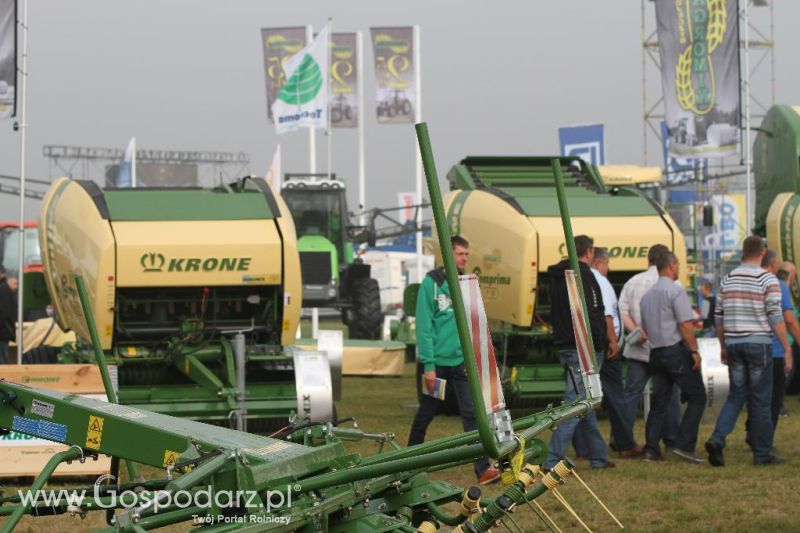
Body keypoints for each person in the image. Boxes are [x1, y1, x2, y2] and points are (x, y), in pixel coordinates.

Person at [407, 236, 500, 485]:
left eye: (466, 254)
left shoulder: (465, 283)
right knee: (426, 413)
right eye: (460, 254)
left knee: (472, 415)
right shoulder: (432, 283)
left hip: (461, 362)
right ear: (448, 254)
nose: (464, 258)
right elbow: (424, 327)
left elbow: (472, 322)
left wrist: (472, 357)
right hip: (436, 364)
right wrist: (428, 366)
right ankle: (407, 463)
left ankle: (482, 470)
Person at [706, 236, 791, 467]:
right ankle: (762, 453)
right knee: (761, 400)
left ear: (743, 252)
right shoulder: (768, 279)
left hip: (734, 343)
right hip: (758, 344)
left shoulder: (727, 279)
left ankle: (717, 438)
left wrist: (723, 346)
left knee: (736, 395)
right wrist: (786, 348)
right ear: (762, 253)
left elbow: (718, 317)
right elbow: (775, 316)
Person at [544, 235, 615, 470]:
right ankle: (552, 459)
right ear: (589, 252)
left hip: (564, 343)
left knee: (586, 400)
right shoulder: (585, 275)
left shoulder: (557, 276)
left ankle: (598, 456)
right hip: (583, 347)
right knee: (575, 403)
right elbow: (594, 312)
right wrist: (599, 343)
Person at [639, 252, 706, 462]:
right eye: (677, 266)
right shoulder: (675, 291)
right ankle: (684, 444)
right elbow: (685, 324)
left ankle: (651, 449)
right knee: (697, 396)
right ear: (672, 266)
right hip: (674, 351)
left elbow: (645, 327)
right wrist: (694, 350)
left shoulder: (647, 296)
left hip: (656, 352)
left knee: (660, 402)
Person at [617, 244, 680, 452]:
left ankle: (623, 441)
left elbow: (622, 311)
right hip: (666, 348)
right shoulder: (672, 283)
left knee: (631, 395)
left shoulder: (633, 282)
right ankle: (671, 440)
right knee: (669, 395)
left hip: (639, 349)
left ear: (648, 259)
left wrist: (636, 330)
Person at [590, 247, 642, 457]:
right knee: (616, 396)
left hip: (595, 344)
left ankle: (584, 448)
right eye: (607, 263)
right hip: (606, 346)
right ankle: (625, 443)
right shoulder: (600, 282)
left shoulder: (586, 280)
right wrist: (613, 341)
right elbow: (607, 315)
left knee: (584, 396)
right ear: (599, 262)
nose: (608, 268)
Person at [748, 252, 800, 438]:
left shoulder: (750, 283)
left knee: (756, 394)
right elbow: (789, 320)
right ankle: (764, 440)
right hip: (775, 350)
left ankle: (752, 432)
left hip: (753, 345)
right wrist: (790, 347)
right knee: (774, 397)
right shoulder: (778, 285)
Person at [0, 267, 17, 364]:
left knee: (2, 362)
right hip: (4, 332)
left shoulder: (2, 289)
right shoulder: (4, 288)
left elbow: (5, 312)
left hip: (2, 333)